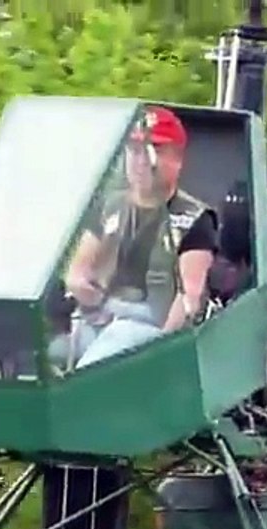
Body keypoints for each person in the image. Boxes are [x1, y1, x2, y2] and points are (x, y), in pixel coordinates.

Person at [49, 105, 218, 371]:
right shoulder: (108, 206)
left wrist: (162, 351)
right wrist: (90, 298)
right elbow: (77, 273)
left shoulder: (194, 219)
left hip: (148, 329)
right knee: (43, 354)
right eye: (135, 150)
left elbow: (189, 298)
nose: (142, 161)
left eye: (155, 150)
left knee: (100, 361)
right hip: (98, 321)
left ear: (178, 158)